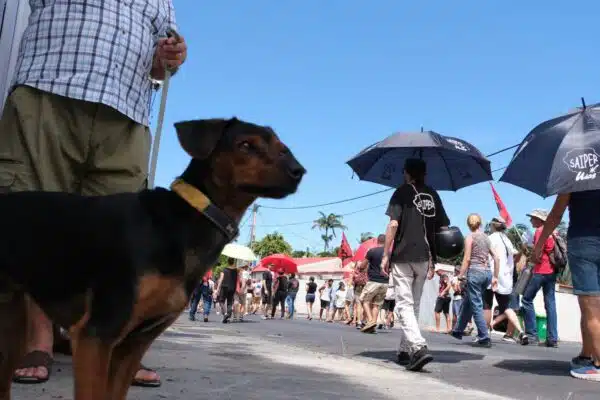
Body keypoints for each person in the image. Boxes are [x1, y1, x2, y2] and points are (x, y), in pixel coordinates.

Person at [1, 0, 185, 386]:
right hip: (49, 88)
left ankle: (111, 341)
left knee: (123, 237)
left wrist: (170, 56)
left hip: (127, 109)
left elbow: (159, 63)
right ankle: (39, 339)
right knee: (35, 218)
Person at [381, 158, 450, 371]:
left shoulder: (401, 192)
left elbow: (393, 224)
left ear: (406, 173)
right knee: (415, 304)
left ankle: (418, 347)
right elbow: (443, 225)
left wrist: (386, 253)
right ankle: (405, 351)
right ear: (425, 174)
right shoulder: (433, 194)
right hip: (425, 256)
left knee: (403, 304)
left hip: (403, 255)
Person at [531, 191, 600, 380]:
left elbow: (555, 214)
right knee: (589, 309)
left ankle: (598, 365)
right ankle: (587, 355)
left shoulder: (574, 173)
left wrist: (539, 245)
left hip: (584, 244)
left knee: (591, 307)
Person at [451, 214, 500, 347]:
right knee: (469, 301)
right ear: (480, 223)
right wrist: (495, 277)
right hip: (487, 274)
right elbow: (496, 258)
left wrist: (459, 275)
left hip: (475, 273)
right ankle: (458, 330)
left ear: (468, 224)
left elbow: (467, 259)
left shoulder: (470, 237)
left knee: (476, 304)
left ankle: (484, 337)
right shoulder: (486, 237)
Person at [487, 217, 528, 344]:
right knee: (507, 307)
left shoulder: (490, 238)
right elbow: (515, 255)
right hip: (506, 278)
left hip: (492, 274)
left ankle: (484, 334)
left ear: (493, 226)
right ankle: (521, 332)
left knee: (486, 305)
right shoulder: (507, 240)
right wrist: (522, 249)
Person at [521, 209, 559, 347]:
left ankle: (532, 335)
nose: (531, 220)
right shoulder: (554, 232)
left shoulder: (540, 231)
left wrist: (529, 256)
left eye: (533, 218)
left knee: (526, 299)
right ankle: (552, 338)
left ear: (539, 220)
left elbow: (537, 254)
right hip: (551, 272)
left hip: (540, 270)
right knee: (550, 304)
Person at [358, 234, 388, 333]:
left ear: (377, 241)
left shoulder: (372, 251)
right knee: (376, 304)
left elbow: (363, 265)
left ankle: (370, 321)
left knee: (363, 299)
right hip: (385, 282)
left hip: (373, 281)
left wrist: (360, 266)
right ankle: (372, 327)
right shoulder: (389, 253)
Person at [215, 258, 241, 323]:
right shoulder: (236, 270)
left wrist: (218, 289)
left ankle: (225, 314)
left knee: (221, 301)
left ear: (228, 262)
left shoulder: (224, 270)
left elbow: (221, 279)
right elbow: (238, 279)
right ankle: (228, 316)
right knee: (230, 302)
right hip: (232, 287)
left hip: (224, 287)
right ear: (233, 262)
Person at [350, 259, 368, 328]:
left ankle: (359, 322)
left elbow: (352, 282)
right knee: (366, 305)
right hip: (366, 288)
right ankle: (363, 320)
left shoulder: (355, 272)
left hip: (357, 288)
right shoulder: (367, 271)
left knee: (358, 305)